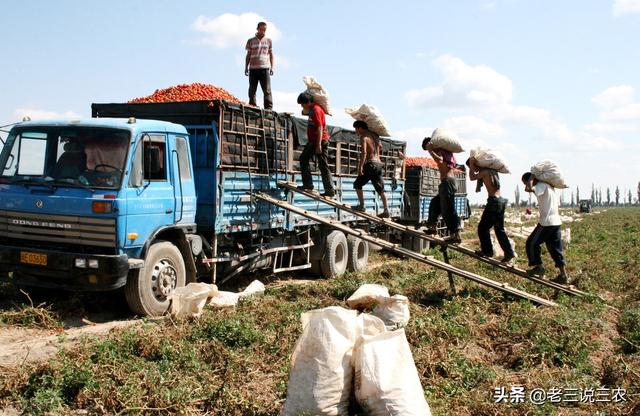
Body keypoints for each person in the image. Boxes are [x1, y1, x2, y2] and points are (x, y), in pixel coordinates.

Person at [521, 172, 569, 283]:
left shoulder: (541, 186)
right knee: (555, 249)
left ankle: (539, 267)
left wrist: (530, 180)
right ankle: (563, 275)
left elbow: (528, 189)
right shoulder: (549, 187)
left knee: (531, 243)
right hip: (556, 222)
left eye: (525, 182)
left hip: (547, 222)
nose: (525, 185)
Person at [467, 157, 516, 265]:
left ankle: (487, 251)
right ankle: (509, 253)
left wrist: (471, 164)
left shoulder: (484, 172)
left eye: (473, 167)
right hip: (501, 201)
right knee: (499, 230)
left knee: (482, 228)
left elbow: (471, 177)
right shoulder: (493, 171)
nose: (473, 169)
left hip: (494, 202)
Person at [296, 92, 335, 197]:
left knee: (316, 162)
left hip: (320, 140)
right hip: (315, 140)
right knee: (311, 161)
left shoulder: (316, 110)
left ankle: (327, 189)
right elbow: (304, 112)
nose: (302, 106)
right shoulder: (312, 110)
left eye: (302, 104)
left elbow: (319, 127)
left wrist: (318, 145)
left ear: (308, 102)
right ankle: (310, 185)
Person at [423, 137, 461, 243]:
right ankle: (432, 227)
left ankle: (455, 234)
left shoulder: (440, 151)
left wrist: (430, 150)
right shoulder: (446, 151)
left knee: (448, 209)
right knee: (435, 203)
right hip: (447, 182)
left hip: (447, 182)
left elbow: (439, 160)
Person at [352, 120, 390, 218]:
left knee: (357, 184)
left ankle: (362, 206)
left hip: (370, 164)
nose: (356, 131)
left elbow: (364, 153)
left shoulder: (364, 137)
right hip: (378, 164)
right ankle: (386, 210)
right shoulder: (375, 135)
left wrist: (360, 166)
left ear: (360, 128)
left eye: (356, 129)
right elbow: (380, 146)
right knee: (381, 189)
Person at [245, 21, 274, 109]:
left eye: (264, 30)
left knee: (267, 90)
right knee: (252, 90)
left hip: (264, 68)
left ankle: (268, 108)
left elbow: (271, 54)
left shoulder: (269, 41)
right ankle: (252, 106)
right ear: (257, 29)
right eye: (261, 29)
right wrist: (246, 67)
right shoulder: (250, 41)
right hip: (253, 68)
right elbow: (248, 55)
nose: (263, 31)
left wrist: (272, 67)